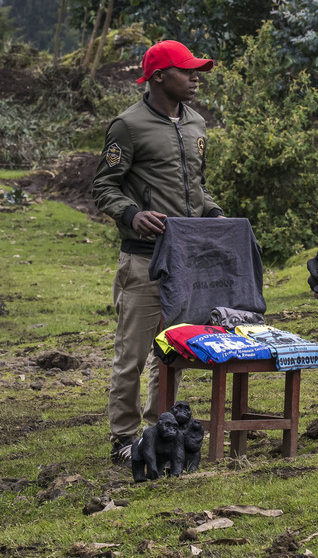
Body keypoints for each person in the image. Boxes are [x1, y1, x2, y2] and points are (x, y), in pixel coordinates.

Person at [92, 39, 221, 467]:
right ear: (160, 76)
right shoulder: (127, 126)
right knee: (132, 355)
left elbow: (196, 188)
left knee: (172, 352)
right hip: (144, 259)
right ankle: (123, 438)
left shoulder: (197, 123)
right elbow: (103, 186)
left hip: (184, 261)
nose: (196, 78)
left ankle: (158, 429)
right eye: (187, 71)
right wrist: (132, 214)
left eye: (197, 71)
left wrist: (214, 214)